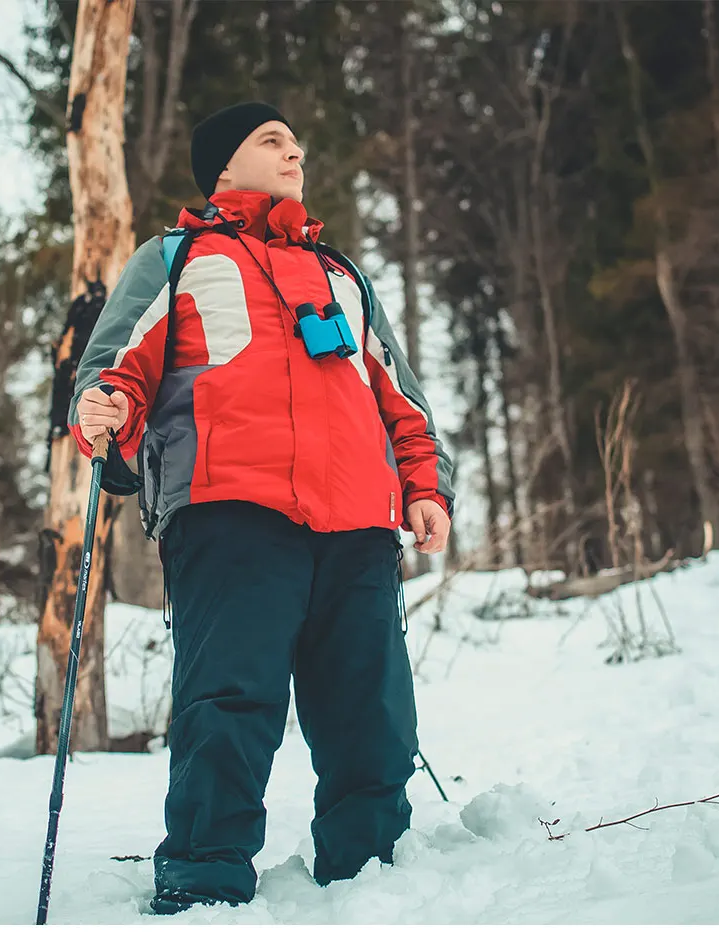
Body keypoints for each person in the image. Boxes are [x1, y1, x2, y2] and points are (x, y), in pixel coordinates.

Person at [69, 101, 455, 915]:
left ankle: (373, 871)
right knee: (230, 699)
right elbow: (115, 366)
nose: (295, 152)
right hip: (229, 510)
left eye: (297, 143)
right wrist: (102, 404)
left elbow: (400, 398)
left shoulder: (342, 275)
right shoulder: (179, 257)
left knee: (371, 711)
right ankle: (205, 878)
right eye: (272, 141)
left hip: (354, 520)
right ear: (222, 169)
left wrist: (425, 485)